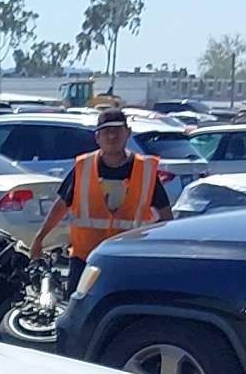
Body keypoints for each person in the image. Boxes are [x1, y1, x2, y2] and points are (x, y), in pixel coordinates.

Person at [31, 105, 169, 259]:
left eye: (117, 130)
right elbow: (62, 204)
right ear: (97, 137)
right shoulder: (84, 166)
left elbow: (166, 217)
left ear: (128, 133)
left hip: (128, 257)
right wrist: (39, 238)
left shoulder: (145, 171)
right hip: (85, 257)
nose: (112, 136)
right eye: (106, 131)